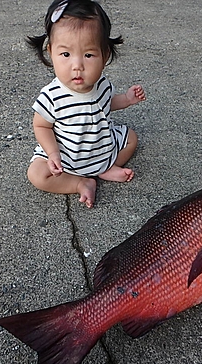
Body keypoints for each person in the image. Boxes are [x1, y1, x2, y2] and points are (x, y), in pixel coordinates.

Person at [26, 0, 146, 208]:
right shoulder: (52, 95)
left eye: (89, 55)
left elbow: (107, 103)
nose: (77, 66)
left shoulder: (101, 84)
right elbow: (41, 125)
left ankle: (105, 168)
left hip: (101, 147)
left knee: (131, 139)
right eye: (65, 54)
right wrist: (53, 153)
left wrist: (126, 99)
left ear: (105, 55)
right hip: (66, 157)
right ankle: (80, 182)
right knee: (36, 174)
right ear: (51, 51)